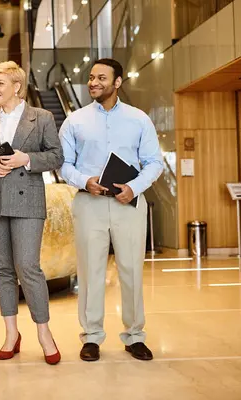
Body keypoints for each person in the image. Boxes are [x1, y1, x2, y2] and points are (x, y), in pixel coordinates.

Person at [59, 58, 162, 362]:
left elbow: (154, 162)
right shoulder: (74, 121)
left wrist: (135, 187)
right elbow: (64, 164)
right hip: (88, 202)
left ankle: (134, 336)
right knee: (90, 272)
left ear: (117, 82)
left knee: (131, 269)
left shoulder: (138, 119)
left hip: (128, 203)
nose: (94, 83)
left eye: (101, 78)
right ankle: (91, 337)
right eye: (91, 77)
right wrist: (83, 180)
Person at [0, 61, 64, 364]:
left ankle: (43, 332)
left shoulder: (42, 117)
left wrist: (26, 159)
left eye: (0, 83)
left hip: (27, 201)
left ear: (17, 86)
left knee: (28, 267)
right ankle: (11, 333)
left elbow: (56, 156)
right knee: (3, 269)